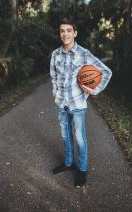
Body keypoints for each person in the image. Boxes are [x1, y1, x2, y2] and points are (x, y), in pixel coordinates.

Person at [49, 17, 112, 187]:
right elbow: (54, 76)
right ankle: (69, 163)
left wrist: (94, 91)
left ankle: (82, 170)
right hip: (62, 103)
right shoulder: (55, 54)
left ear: (75, 33)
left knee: (80, 138)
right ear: (59, 33)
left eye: (69, 30)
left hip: (78, 105)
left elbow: (106, 72)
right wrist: (56, 94)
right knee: (65, 136)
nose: (65, 34)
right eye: (62, 30)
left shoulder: (84, 54)